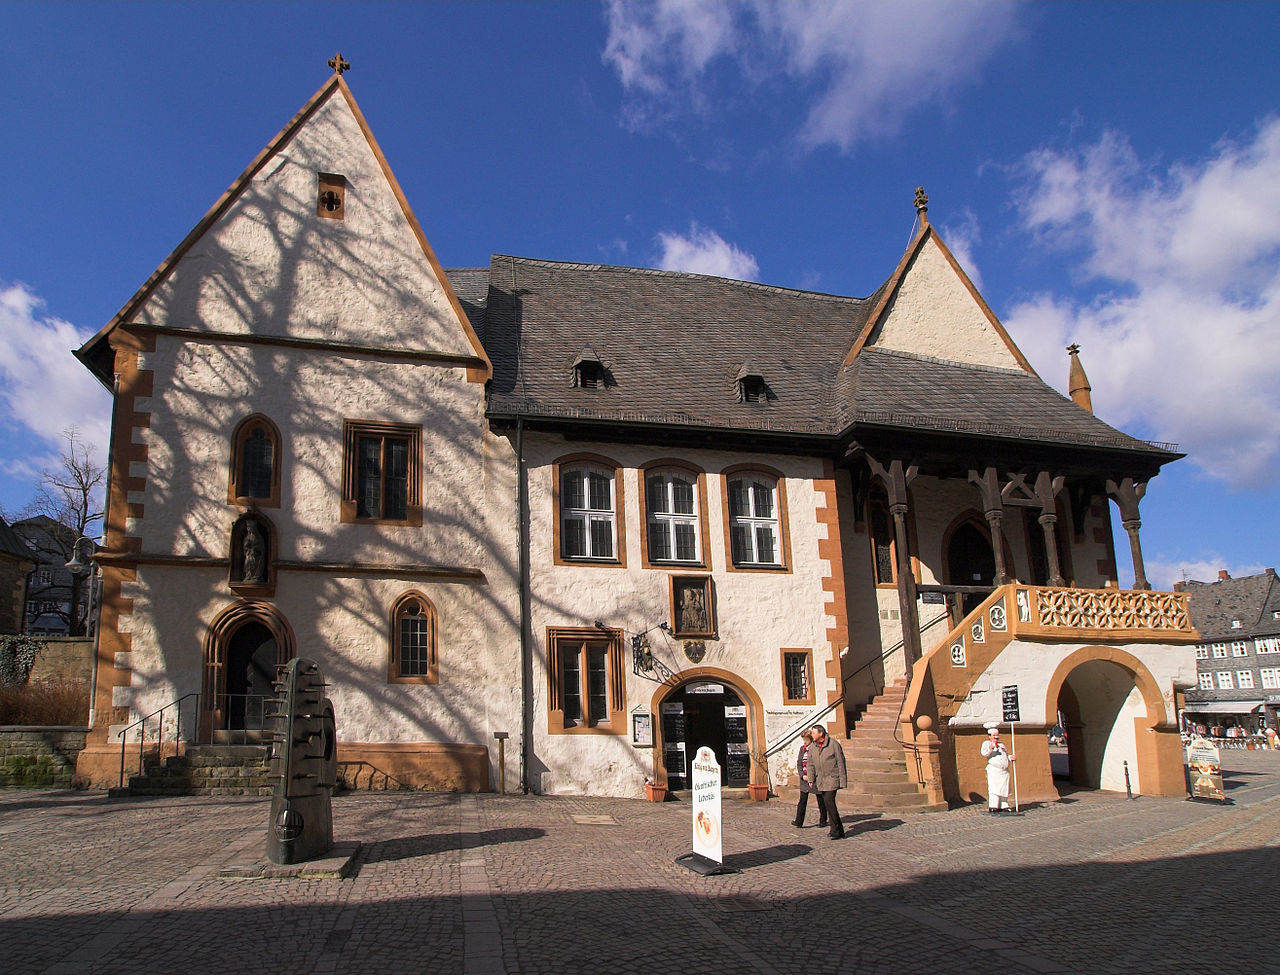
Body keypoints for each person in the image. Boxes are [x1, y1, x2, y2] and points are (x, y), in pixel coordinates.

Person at [805, 724, 846, 839]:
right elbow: (810, 764)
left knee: (829, 802)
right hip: (820, 779)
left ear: (821, 733)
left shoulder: (833, 745)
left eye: (813, 733)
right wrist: (811, 778)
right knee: (828, 804)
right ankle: (839, 829)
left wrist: (842, 781)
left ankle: (835, 830)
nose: (811, 735)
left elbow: (841, 762)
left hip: (832, 778)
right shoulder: (812, 747)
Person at [791, 730, 827, 829]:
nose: (804, 742)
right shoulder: (802, 749)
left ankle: (823, 820)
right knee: (802, 800)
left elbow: (817, 764)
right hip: (804, 779)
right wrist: (802, 775)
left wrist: (811, 776)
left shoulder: (816, 749)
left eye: (805, 740)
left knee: (820, 799)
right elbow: (799, 763)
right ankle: (799, 821)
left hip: (815, 778)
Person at [981, 725, 1014, 813]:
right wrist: (991, 748)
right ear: (990, 736)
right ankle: (993, 805)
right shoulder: (986, 743)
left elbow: (1005, 755)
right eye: (994, 735)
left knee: (1004, 788)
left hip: (1004, 771)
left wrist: (1010, 758)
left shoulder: (1001, 745)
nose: (996, 737)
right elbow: (984, 753)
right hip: (994, 770)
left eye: (997, 735)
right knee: (994, 788)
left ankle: (1004, 804)